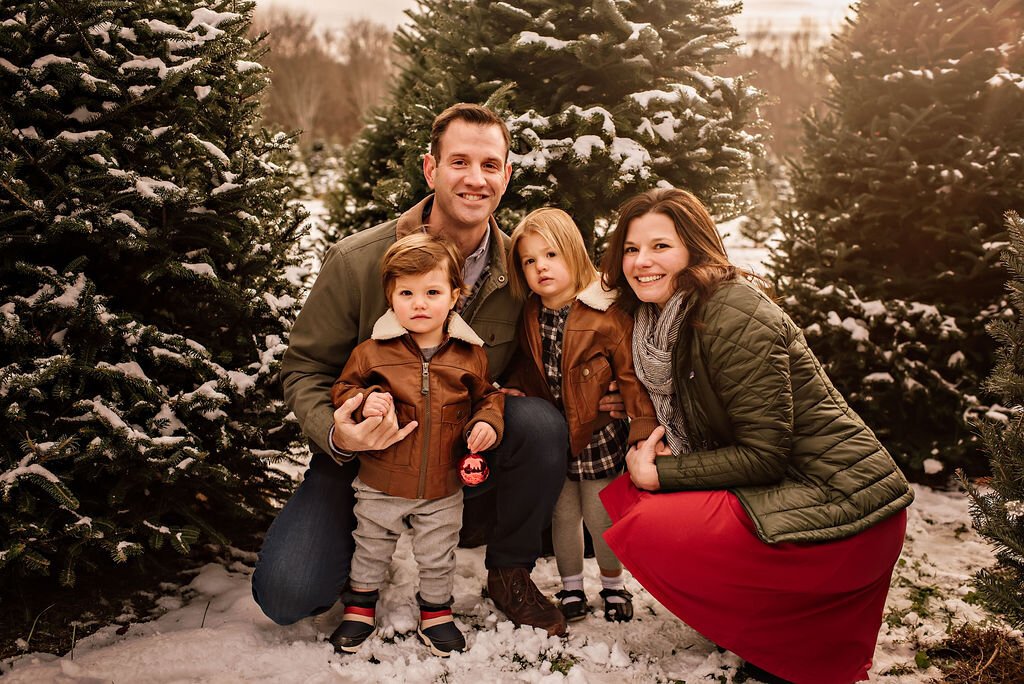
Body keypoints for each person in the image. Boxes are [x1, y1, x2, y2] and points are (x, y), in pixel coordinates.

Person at [252, 103, 585, 641]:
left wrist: (609, 389)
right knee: (289, 593)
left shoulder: (521, 269)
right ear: (430, 170)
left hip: (460, 453)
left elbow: (549, 351)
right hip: (366, 459)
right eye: (459, 162)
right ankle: (362, 550)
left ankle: (508, 571)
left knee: (541, 423)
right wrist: (339, 431)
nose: (476, 179)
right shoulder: (358, 260)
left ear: (506, 175)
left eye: (491, 165)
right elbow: (305, 368)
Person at [598, 187, 915, 684]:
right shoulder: (658, 321)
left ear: (696, 250)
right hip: (797, 489)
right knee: (627, 501)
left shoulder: (730, 314)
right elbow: (702, 400)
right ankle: (761, 625)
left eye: (661, 246)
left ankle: (781, 632)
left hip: (846, 506)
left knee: (651, 521)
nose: (641, 262)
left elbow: (764, 455)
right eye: (632, 249)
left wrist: (662, 471)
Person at [327, 233, 504, 656]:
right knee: (370, 544)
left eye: (432, 292)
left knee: (438, 552)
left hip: (443, 484)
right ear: (391, 297)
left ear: (455, 296)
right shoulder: (372, 352)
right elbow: (343, 388)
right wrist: (367, 400)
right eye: (406, 292)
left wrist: (488, 423)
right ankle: (360, 605)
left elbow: (489, 396)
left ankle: (436, 611)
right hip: (381, 479)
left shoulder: (469, 355)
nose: (419, 303)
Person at [504, 208, 658, 623]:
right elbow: (527, 365)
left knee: (600, 516)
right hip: (556, 439)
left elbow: (631, 377)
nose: (541, 267)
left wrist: (641, 429)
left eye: (550, 255)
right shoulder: (531, 315)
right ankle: (571, 587)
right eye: (529, 261)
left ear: (573, 252)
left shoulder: (604, 315)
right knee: (562, 515)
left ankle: (612, 585)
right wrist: (514, 388)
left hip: (597, 436)